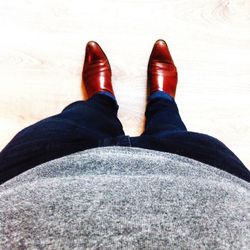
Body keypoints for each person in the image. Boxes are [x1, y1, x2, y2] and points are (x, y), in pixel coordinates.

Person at [0, 40, 249, 249]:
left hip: (36, 175)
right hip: (206, 180)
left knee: (77, 119)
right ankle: (161, 99)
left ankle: (102, 99)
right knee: (171, 131)